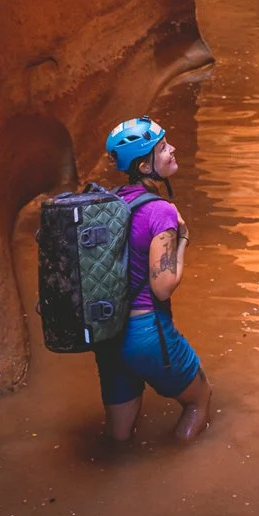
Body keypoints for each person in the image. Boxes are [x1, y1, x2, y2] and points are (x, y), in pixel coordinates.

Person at [94, 115, 212, 445]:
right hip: (146, 333)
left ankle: (125, 486)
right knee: (198, 400)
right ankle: (184, 481)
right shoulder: (161, 211)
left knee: (118, 436)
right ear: (145, 167)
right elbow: (163, 286)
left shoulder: (113, 201)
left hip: (109, 336)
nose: (172, 149)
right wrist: (184, 238)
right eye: (162, 148)